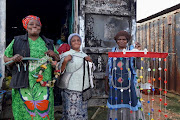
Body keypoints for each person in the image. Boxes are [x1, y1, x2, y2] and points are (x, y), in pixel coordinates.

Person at [4, 15, 60, 120]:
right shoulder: (17, 40)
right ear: (26, 27)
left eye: (37, 25)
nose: (35, 26)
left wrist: (53, 54)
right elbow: (6, 58)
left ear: (41, 27)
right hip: (23, 81)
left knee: (43, 107)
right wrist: (14, 57)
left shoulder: (48, 42)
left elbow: (58, 58)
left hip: (43, 82)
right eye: (31, 24)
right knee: (24, 108)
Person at [105, 31, 145, 120]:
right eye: (119, 39)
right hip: (115, 85)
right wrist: (106, 82)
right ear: (116, 41)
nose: (122, 41)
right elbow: (108, 68)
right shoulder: (112, 52)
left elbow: (139, 66)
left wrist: (138, 54)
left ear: (127, 41)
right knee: (116, 103)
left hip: (130, 85)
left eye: (124, 39)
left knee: (131, 103)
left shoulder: (132, 51)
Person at [59, 33, 92, 120]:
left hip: (84, 88)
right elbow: (60, 71)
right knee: (71, 112)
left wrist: (90, 61)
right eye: (73, 40)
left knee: (82, 111)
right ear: (70, 43)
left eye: (78, 40)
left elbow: (91, 70)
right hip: (71, 89)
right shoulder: (66, 55)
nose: (76, 42)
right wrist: (65, 61)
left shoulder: (84, 55)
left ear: (81, 42)